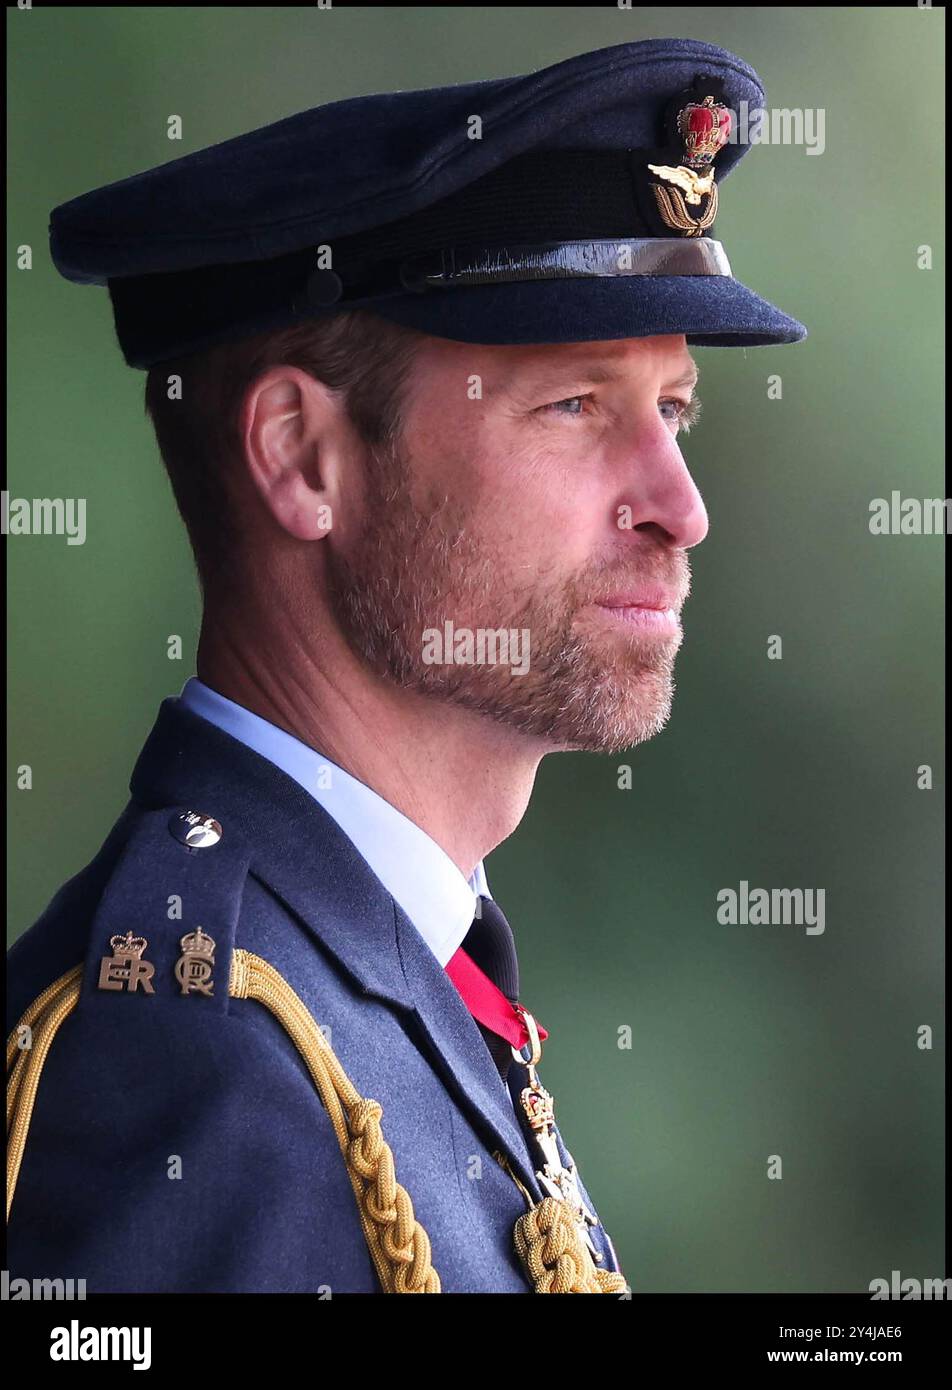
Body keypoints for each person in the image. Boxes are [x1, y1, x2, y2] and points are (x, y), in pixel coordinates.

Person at [6, 36, 805, 1294]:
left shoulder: (393, 972)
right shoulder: (192, 1055)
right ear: (304, 459)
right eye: (574, 407)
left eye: (673, 411)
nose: (679, 505)